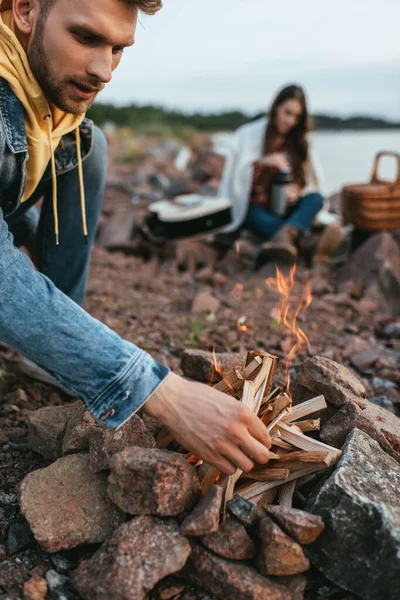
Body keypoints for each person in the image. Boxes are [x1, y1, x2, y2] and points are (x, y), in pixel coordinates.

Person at [0, 0, 272, 476]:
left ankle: (59, 338)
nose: (104, 70)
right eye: (85, 38)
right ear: (24, 10)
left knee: (89, 144)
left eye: (118, 48)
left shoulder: (37, 97)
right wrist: (161, 392)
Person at [218, 84, 326, 264]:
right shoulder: (250, 135)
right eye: (287, 113)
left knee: (316, 198)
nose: (291, 121)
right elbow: (236, 180)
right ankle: (300, 239)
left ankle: (287, 235)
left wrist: (296, 191)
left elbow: (307, 181)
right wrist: (262, 161)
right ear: (276, 107)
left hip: (284, 206)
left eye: (297, 116)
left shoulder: (298, 141)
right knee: (256, 217)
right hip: (257, 207)